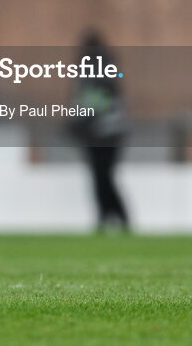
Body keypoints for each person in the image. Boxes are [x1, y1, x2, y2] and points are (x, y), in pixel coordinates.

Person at [68, 30, 130, 232]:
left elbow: (95, 100)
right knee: (102, 178)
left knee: (103, 178)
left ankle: (116, 217)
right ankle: (110, 217)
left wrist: (78, 120)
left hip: (104, 133)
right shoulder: (103, 67)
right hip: (103, 133)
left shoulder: (97, 68)